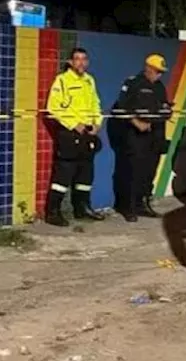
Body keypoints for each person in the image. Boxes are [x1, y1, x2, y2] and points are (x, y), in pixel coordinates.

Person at [44, 48, 104, 227]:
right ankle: (53, 212)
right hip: (69, 134)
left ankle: (82, 208)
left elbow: (95, 104)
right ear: (70, 62)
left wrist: (97, 123)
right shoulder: (62, 80)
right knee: (63, 176)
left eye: (84, 59)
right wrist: (74, 124)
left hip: (88, 133)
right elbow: (53, 109)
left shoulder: (89, 81)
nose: (80, 62)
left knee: (86, 174)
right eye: (77, 59)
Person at [112, 54, 171, 222]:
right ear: (148, 68)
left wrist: (167, 111)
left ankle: (142, 203)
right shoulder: (133, 83)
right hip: (137, 136)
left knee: (149, 172)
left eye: (161, 72)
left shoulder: (160, 87)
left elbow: (165, 107)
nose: (159, 75)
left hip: (155, 136)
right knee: (133, 172)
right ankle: (127, 207)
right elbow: (121, 108)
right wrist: (136, 122)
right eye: (157, 71)